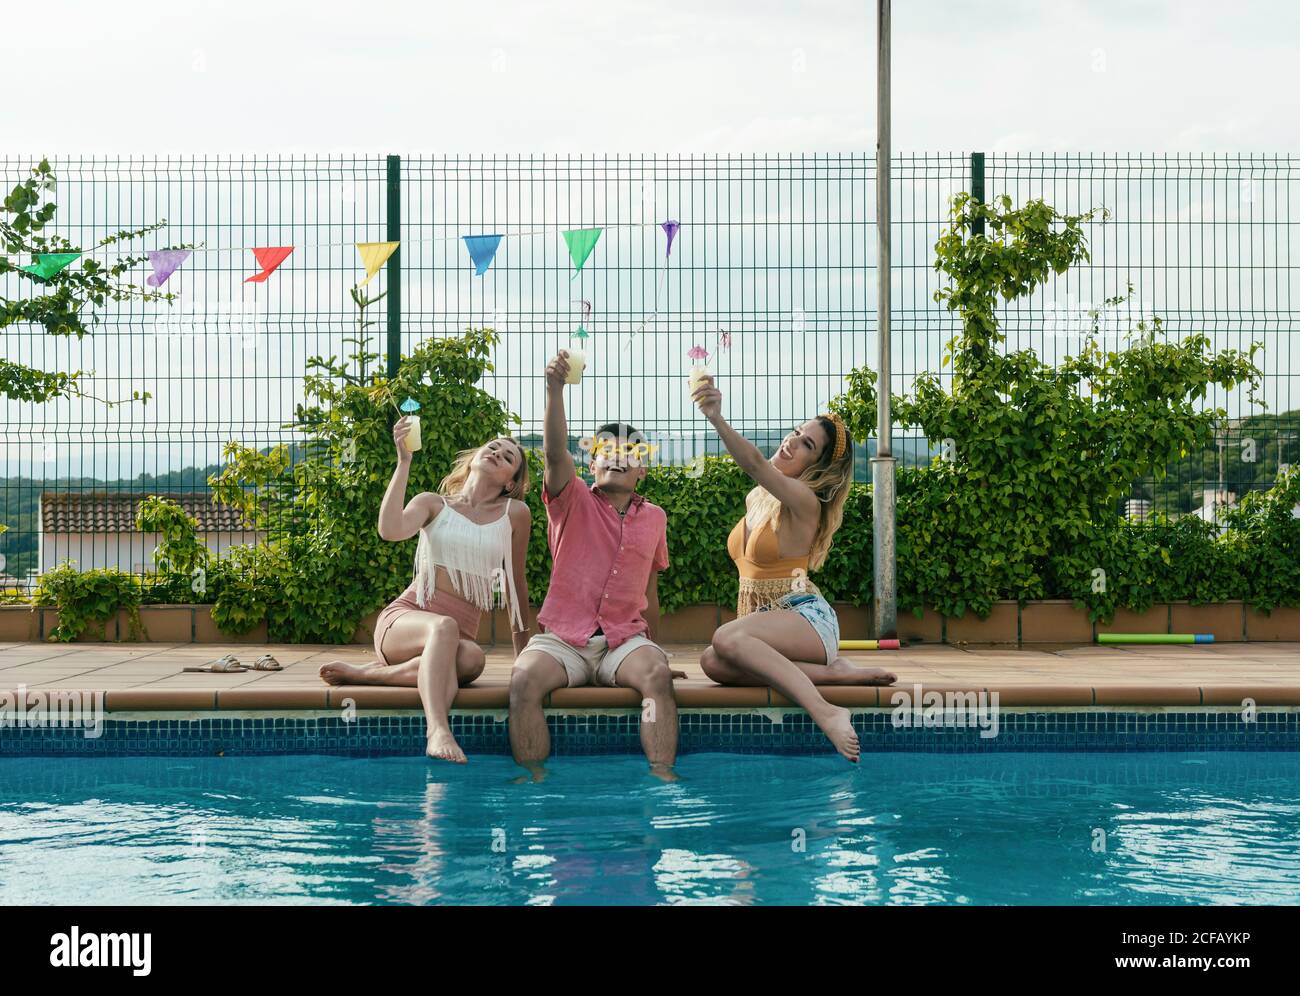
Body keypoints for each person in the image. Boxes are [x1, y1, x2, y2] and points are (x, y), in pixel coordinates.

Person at [690, 373, 895, 763]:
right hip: (767, 627)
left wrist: (715, 417)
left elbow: (752, 463)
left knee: (725, 640)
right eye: (797, 432)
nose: (792, 441)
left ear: (817, 467)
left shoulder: (806, 501)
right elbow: (757, 477)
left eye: (807, 445)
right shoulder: (758, 498)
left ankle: (826, 711)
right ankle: (834, 673)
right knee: (711, 662)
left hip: (805, 618)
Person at [508, 349, 683, 780]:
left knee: (658, 678)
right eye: (606, 451)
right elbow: (552, 455)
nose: (617, 457)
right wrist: (554, 390)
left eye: (630, 453)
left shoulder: (656, 517)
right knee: (522, 682)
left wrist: (654, 652)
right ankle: (535, 782)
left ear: (643, 469)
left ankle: (661, 779)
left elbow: (650, 594)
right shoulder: (571, 500)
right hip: (563, 640)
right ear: (592, 463)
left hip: (624, 643)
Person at [320, 422, 533, 763]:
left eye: (508, 456)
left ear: (510, 482)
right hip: (404, 624)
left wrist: (524, 660)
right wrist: (403, 462)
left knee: (473, 659)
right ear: (474, 458)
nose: (497, 452)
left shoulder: (515, 514)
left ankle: (366, 674)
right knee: (443, 626)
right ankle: (438, 730)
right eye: (492, 446)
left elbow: (515, 586)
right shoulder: (434, 503)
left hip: (454, 643)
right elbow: (390, 530)